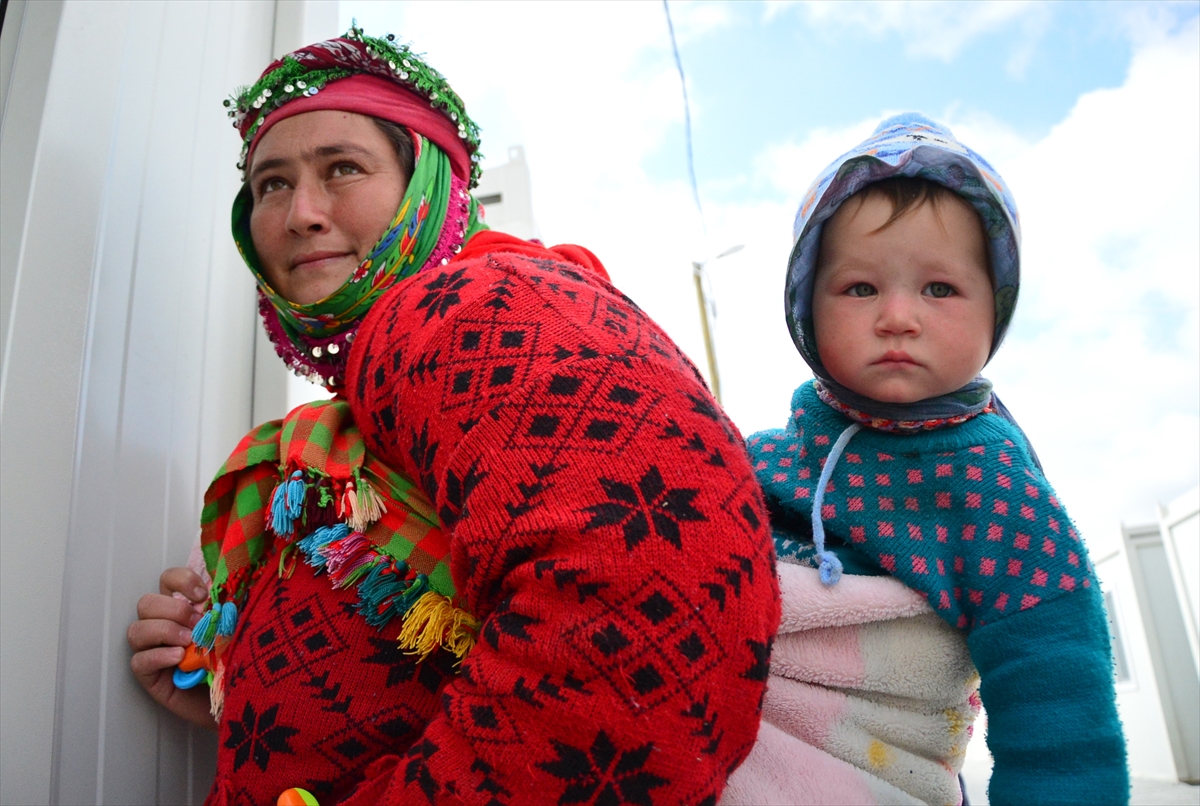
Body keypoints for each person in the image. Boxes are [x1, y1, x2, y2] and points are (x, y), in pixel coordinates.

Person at [126, 27, 779, 805]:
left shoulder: (472, 307)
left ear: (426, 189)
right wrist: (240, 696)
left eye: (343, 168)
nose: (301, 212)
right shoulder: (378, 388)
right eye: (270, 184)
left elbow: (647, 620)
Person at [723, 114, 1128, 805]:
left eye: (939, 289)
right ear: (806, 310)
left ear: (992, 312)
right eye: (860, 289)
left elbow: (1059, 700)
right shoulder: (760, 457)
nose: (898, 317)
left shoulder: (996, 486)